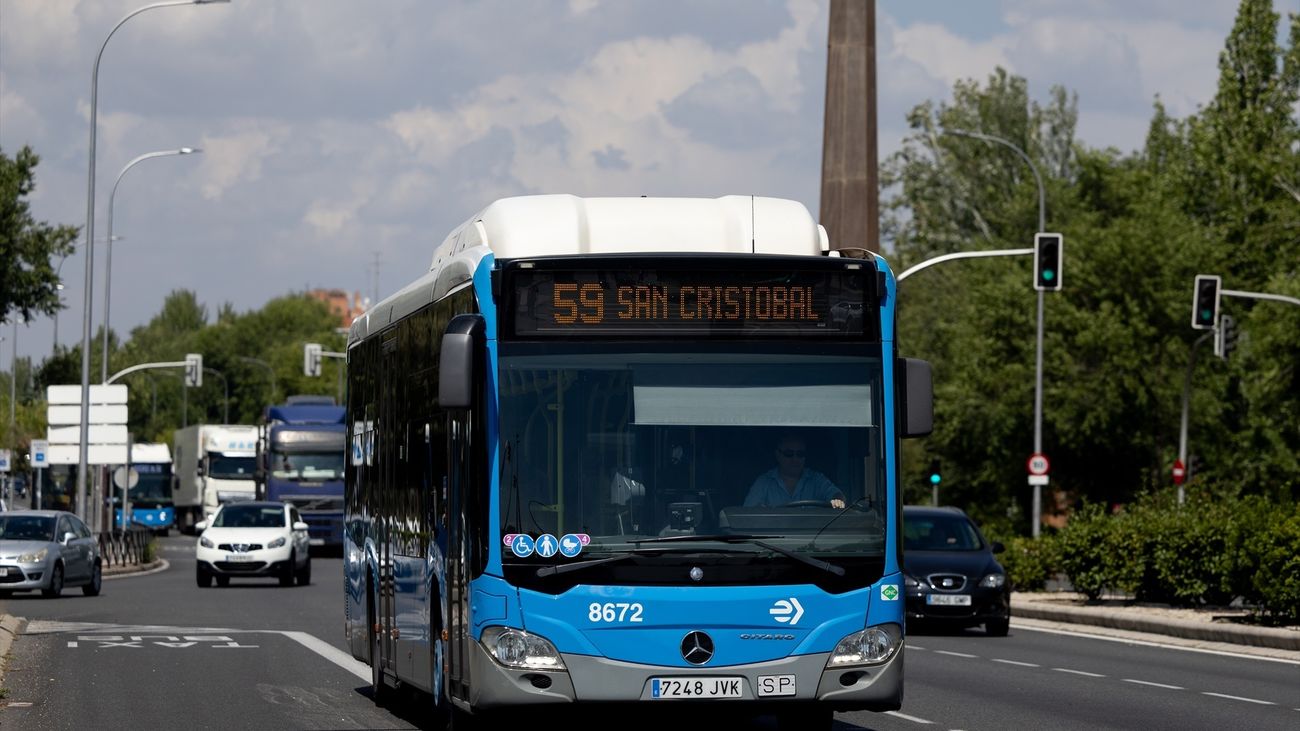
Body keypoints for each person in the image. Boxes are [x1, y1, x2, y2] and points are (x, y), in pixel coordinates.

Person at [743, 434, 845, 509]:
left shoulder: (817, 479)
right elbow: (748, 513)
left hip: (813, 535)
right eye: (789, 453)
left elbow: (837, 495)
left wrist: (837, 500)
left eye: (800, 454)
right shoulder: (764, 482)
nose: (795, 459)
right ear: (777, 455)